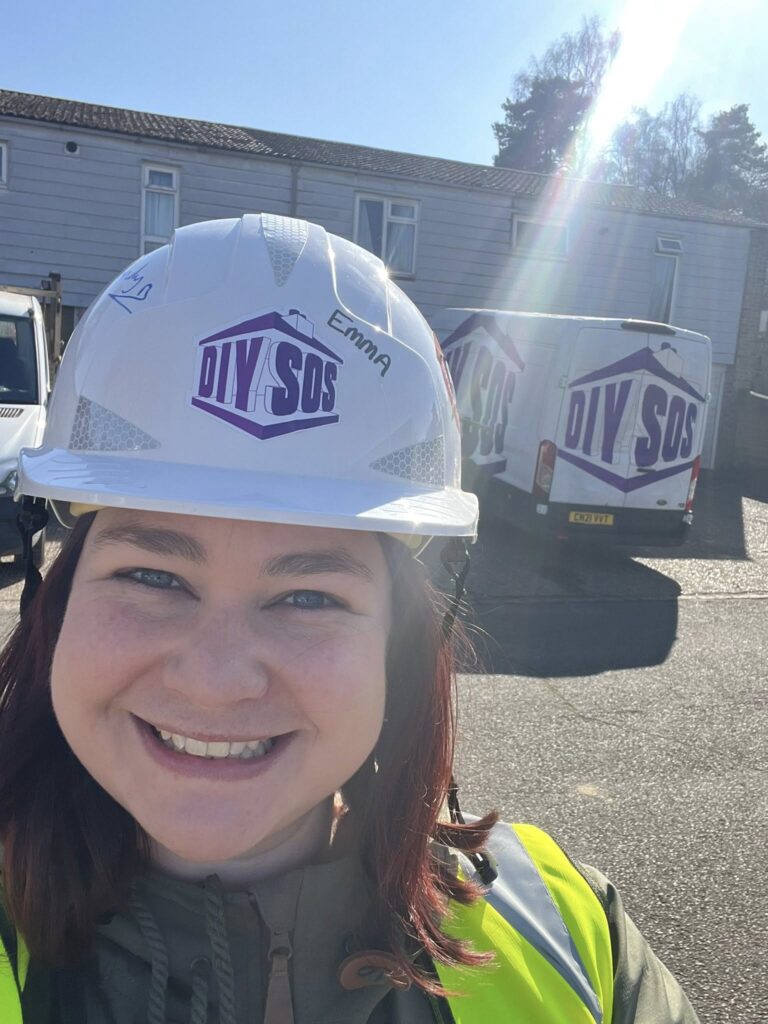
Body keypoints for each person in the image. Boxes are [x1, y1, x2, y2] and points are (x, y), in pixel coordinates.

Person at [0, 214, 699, 1023]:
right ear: (59, 602)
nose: (216, 679)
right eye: (154, 576)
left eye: (308, 597)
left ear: (400, 645)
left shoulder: (567, 940)